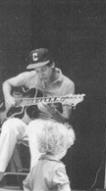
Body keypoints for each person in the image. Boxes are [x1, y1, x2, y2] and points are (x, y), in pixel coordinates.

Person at [0, 48, 75, 177]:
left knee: (36, 125)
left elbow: (65, 119)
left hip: (55, 133)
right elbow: (7, 83)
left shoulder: (67, 84)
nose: (40, 74)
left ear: (52, 64)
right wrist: (8, 98)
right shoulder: (30, 77)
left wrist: (52, 111)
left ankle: (36, 177)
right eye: (37, 70)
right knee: (10, 124)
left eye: (43, 69)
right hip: (31, 129)